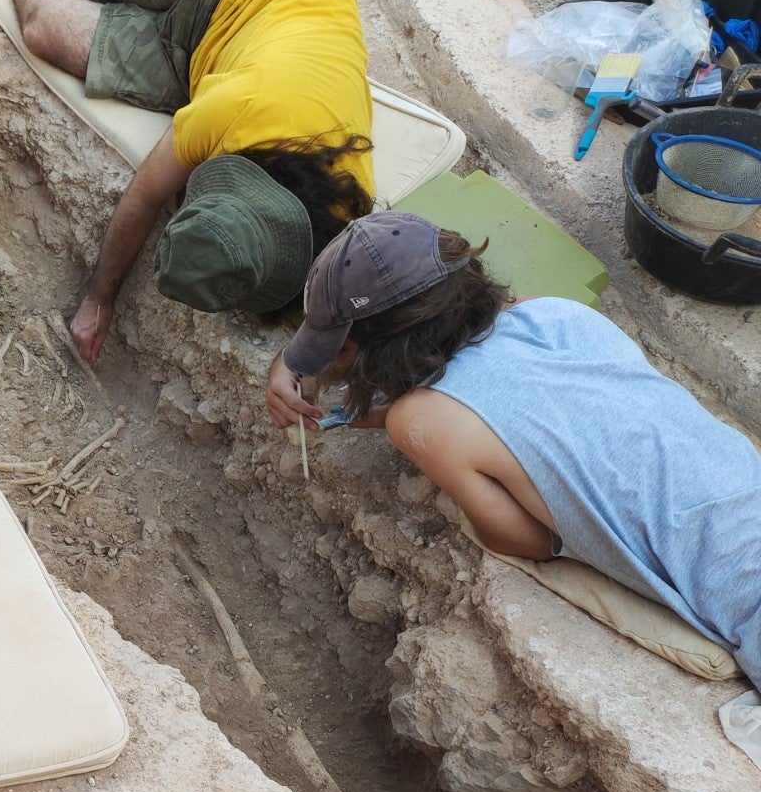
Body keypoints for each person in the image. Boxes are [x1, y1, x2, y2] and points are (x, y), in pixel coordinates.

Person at [267, 212, 761, 684]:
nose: (334, 364)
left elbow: (532, 542)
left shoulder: (417, 419)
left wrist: (405, 420)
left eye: (339, 350)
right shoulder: (555, 314)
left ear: (376, 347)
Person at [2, 0, 374, 359]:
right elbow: (144, 196)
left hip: (216, 59)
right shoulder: (233, 112)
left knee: (47, 27)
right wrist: (99, 297)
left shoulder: (345, 208)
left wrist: (301, 365)